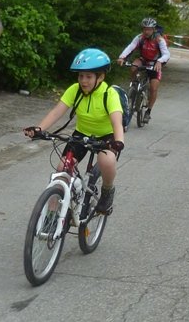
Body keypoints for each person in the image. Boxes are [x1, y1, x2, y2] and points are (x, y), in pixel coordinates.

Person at [24, 48, 124, 215]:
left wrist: (119, 141)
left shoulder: (109, 94)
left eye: (89, 76)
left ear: (101, 77)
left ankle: (107, 190)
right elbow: (57, 111)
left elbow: (117, 122)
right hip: (82, 134)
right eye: (80, 76)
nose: (83, 81)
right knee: (61, 169)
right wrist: (39, 129)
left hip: (107, 137)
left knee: (106, 160)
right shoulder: (75, 90)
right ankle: (51, 216)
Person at [116, 17, 171, 123]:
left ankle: (148, 111)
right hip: (143, 60)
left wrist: (160, 61)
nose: (146, 31)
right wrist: (122, 57)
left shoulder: (159, 39)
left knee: (153, 88)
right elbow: (130, 47)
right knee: (133, 67)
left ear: (154, 29)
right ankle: (134, 86)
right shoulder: (140, 37)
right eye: (145, 29)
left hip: (155, 63)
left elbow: (166, 54)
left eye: (149, 29)